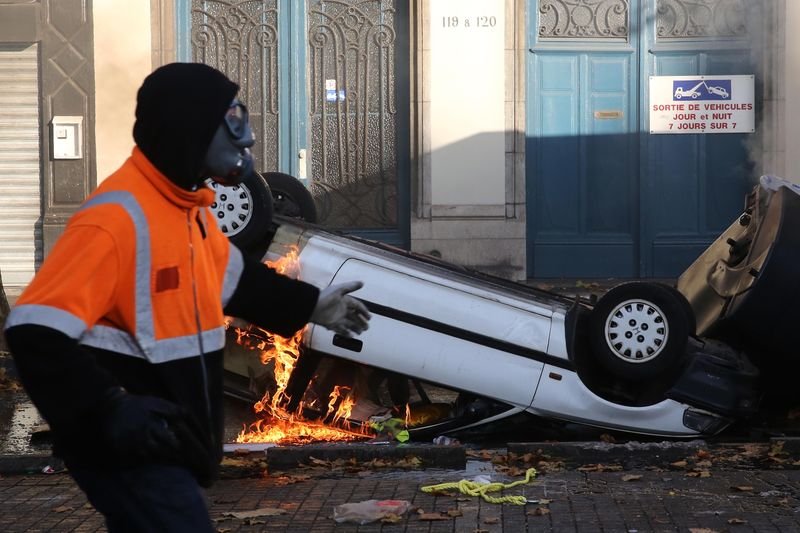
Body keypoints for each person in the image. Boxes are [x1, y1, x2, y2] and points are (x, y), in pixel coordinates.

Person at [3, 62, 371, 532]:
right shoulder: (115, 219)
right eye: (232, 120)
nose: (247, 139)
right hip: (126, 445)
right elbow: (33, 331)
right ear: (191, 129)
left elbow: (236, 282)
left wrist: (315, 305)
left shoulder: (187, 214)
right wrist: (111, 408)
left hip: (163, 438)